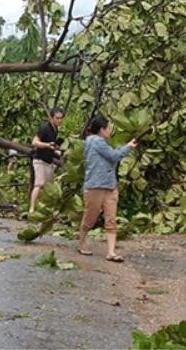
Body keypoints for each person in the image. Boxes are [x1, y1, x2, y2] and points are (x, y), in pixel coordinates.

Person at [77, 115, 136, 262]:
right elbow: (114, 156)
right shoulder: (96, 142)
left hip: (109, 185)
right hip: (95, 186)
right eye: (108, 128)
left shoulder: (97, 142)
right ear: (101, 130)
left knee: (111, 219)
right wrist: (127, 147)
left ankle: (111, 252)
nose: (110, 130)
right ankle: (82, 241)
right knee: (90, 217)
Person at [28, 107, 65, 214]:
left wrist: (55, 152)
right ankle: (32, 209)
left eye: (61, 118)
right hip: (39, 160)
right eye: (57, 118)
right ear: (52, 118)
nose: (59, 120)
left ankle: (42, 207)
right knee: (39, 184)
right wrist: (47, 145)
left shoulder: (56, 130)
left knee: (48, 186)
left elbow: (52, 146)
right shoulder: (45, 128)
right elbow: (34, 142)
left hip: (48, 160)